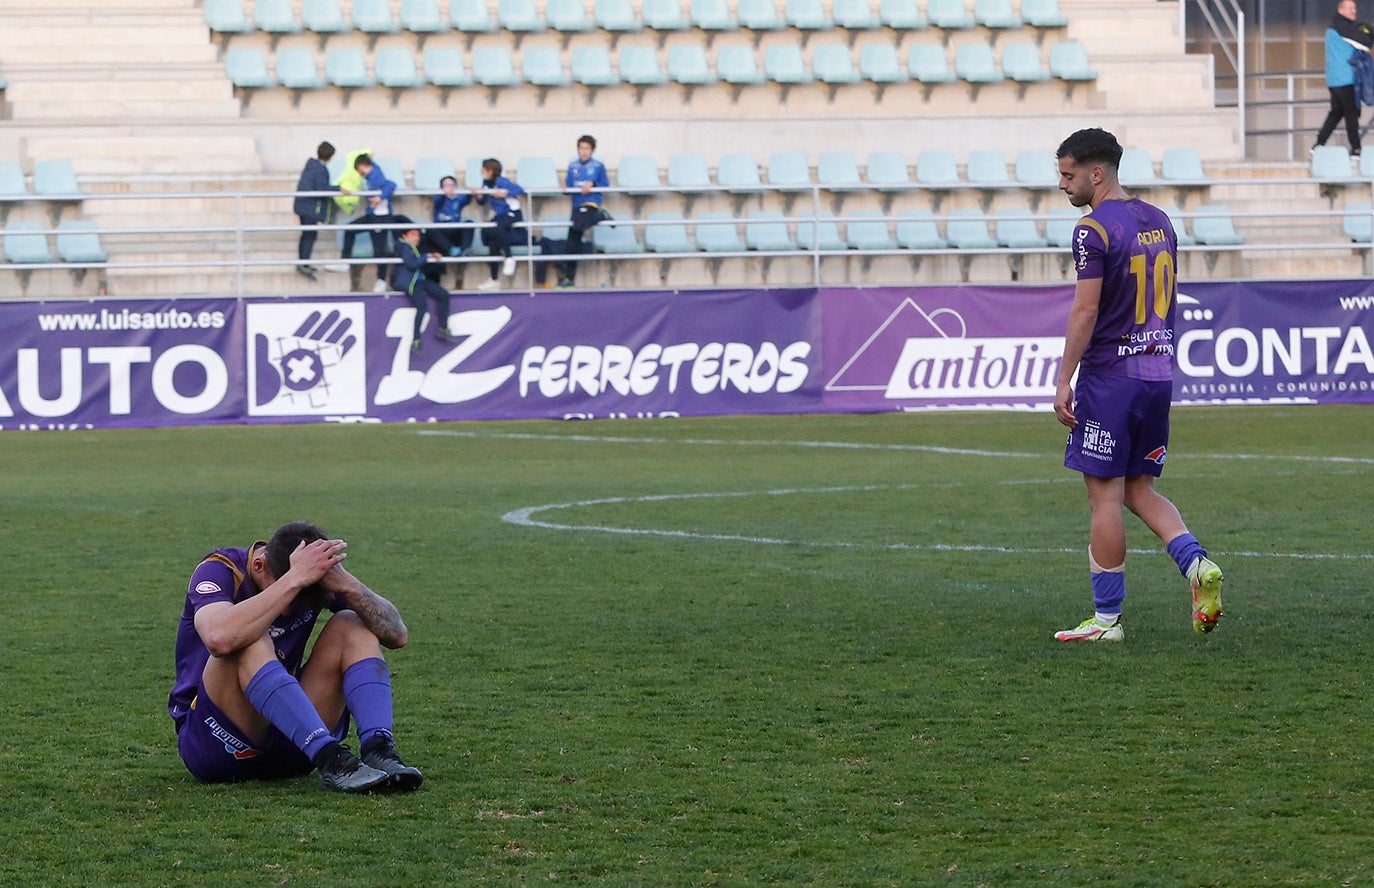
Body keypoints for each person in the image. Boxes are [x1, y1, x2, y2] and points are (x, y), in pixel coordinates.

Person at [1050, 127, 1224, 643]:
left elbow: (1086, 308)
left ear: (1096, 173)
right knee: (1138, 488)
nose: (1062, 185)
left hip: (1110, 379)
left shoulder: (1093, 229)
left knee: (1103, 495)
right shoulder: (1160, 220)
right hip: (1157, 375)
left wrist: (1065, 378)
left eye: (1068, 174)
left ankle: (1106, 621)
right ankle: (1196, 566)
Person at [168, 521, 423, 792]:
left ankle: (378, 750)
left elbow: (398, 636)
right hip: (216, 744)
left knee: (352, 622)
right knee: (247, 637)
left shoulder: (313, 578)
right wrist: (293, 581)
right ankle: (330, 757)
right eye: (291, 594)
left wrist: (349, 586)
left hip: (296, 743)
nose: (288, 608)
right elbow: (218, 639)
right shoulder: (221, 568)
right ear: (259, 566)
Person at [1314, 0, 1374, 157]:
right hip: (1345, 79)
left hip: (1333, 80)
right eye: (1351, 8)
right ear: (1340, 10)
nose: (1354, 11)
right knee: (1351, 113)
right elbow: (1365, 43)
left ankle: (1318, 144)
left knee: (1336, 113)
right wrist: (1368, 30)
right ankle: (1356, 149)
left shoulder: (1332, 28)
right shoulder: (1343, 28)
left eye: (1355, 8)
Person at [336, 151, 399, 293]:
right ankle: (346, 261)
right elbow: (370, 163)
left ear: (361, 167)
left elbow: (391, 185)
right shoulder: (373, 171)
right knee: (350, 230)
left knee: (379, 250)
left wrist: (380, 197)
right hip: (372, 216)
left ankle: (381, 280)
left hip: (380, 218)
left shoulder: (376, 177)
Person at [391, 217, 453, 351]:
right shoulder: (403, 247)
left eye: (418, 234)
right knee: (422, 307)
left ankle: (443, 327)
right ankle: (416, 340)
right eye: (413, 235)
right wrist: (426, 257)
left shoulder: (411, 247)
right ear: (405, 236)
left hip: (419, 280)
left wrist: (429, 255)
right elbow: (412, 264)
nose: (417, 237)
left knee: (443, 294)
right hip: (409, 282)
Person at [558, 134, 611, 288]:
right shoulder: (573, 166)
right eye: (582, 148)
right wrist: (564, 187)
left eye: (587, 148)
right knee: (571, 242)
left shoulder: (598, 166)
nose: (584, 151)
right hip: (576, 205)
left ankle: (601, 214)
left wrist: (592, 183)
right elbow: (569, 189)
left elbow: (605, 185)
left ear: (592, 150)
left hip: (591, 203)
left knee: (576, 227)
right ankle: (570, 278)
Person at [470, 158, 526, 291]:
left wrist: (503, 193)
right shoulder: (485, 184)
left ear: (491, 171)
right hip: (500, 215)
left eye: (484, 169)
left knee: (497, 228)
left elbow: (519, 190)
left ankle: (509, 257)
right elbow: (483, 202)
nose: (481, 171)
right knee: (493, 241)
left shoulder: (502, 181)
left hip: (512, 212)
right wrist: (478, 195)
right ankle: (494, 279)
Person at [291, 141, 343, 281]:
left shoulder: (310, 166)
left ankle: (304, 262)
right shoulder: (320, 169)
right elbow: (322, 189)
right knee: (309, 235)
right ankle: (303, 263)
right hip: (310, 207)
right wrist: (339, 189)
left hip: (303, 205)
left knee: (307, 234)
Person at [425, 175, 474, 289]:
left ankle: (464, 250)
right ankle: (452, 250)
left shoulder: (458, 199)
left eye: (452, 185)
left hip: (454, 231)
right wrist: (444, 193)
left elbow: (468, 198)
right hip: (441, 234)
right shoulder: (438, 197)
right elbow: (439, 201)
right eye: (446, 185)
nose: (449, 188)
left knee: (469, 223)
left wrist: (472, 192)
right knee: (430, 229)